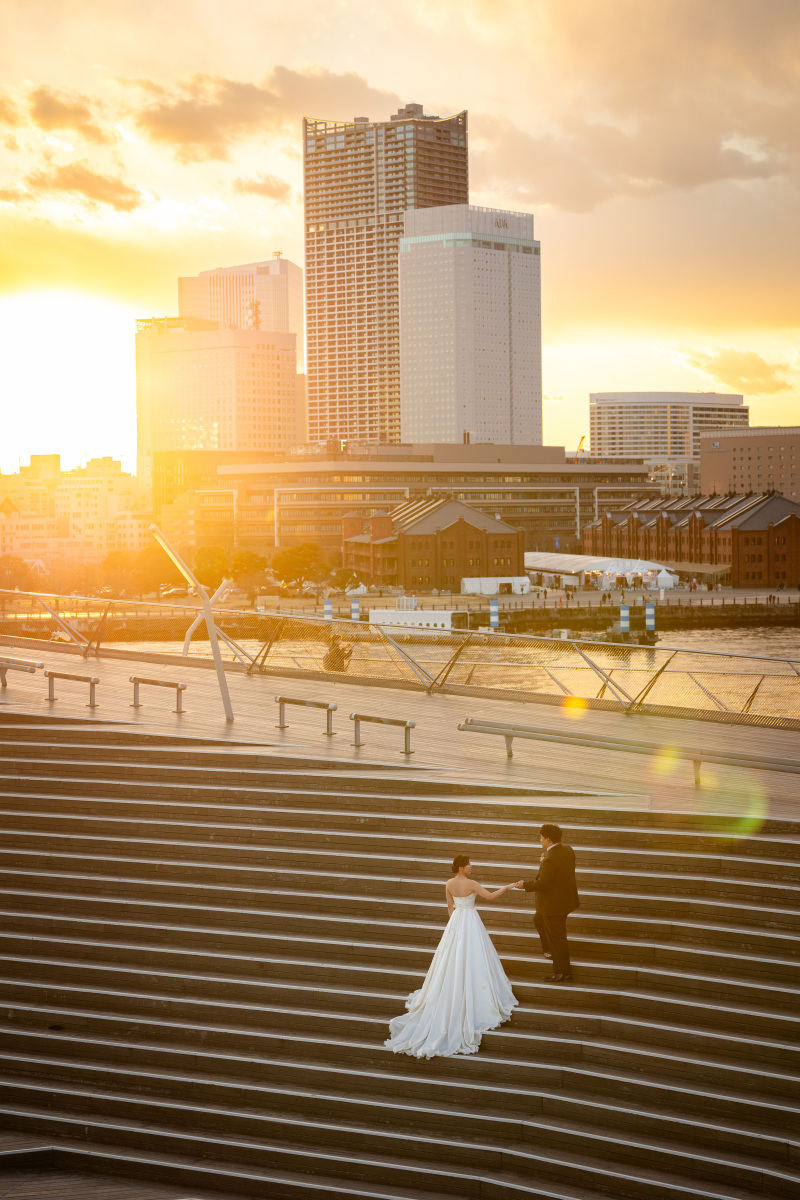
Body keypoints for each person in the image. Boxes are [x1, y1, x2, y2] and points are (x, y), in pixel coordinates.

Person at [385, 855, 518, 1058]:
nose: (471, 866)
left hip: (456, 920)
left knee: (451, 957)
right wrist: (507, 887)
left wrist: (454, 925)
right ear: (462, 867)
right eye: (469, 864)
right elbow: (490, 896)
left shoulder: (448, 883)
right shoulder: (472, 884)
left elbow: (450, 907)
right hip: (470, 919)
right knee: (475, 956)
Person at [513, 823, 579, 984]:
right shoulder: (567, 850)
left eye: (541, 837)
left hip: (553, 906)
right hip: (564, 901)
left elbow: (543, 884)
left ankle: (561, 972)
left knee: (557, 938)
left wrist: (525, 885)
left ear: (548, 839)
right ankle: (549, 950)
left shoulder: (550, 858)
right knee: (538, 920)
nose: (540, 840)